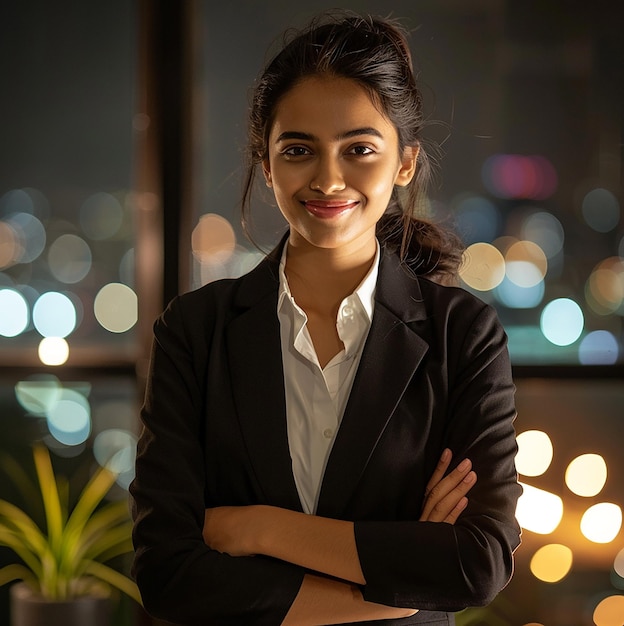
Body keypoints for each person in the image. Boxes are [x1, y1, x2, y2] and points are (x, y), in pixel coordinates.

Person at [130, 11, 522, 626]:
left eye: (359, 149)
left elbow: (477, 564)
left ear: (405, 163)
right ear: (267, 165)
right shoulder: (195, 330)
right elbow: (167, 573)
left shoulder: (461, 335)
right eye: (298, 150)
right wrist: (398, 589)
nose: (328, 177)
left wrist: (255, 528)